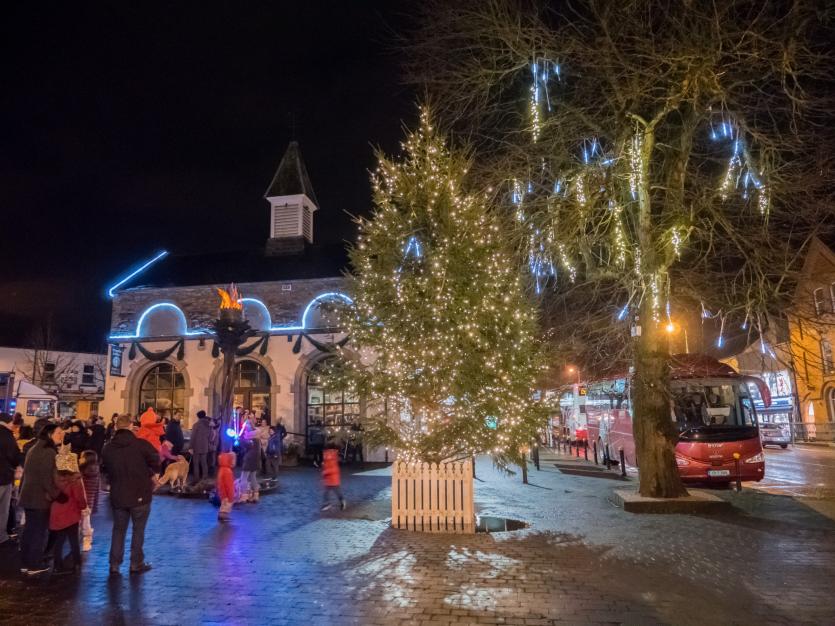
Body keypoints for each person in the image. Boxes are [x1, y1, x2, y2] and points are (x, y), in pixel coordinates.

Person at [102, 414, 160, 575]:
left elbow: (105, 468)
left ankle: (114, 564)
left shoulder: (108, 448)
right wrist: (152, 473)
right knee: (138, 529)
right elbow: (155, 459)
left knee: (118, 530)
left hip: (118, 494)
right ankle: (136, 562)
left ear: (116, 427)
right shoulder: (140, 445)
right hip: (140, 493)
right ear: (130, 426)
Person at [18, 423, 65, 576]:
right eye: (58, 433)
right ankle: (34, 564)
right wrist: (58, 495)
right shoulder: (48, 452)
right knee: (38, 532)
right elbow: (47, 479)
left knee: (29, 530)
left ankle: (26, 562)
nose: (61, 435)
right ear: (50, 434)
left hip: (28, 495)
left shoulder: (34, 449)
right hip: (39, 498)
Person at [48, 448, 87, 574]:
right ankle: (76, 563)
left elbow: (49, 494)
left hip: (56, 512)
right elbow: (79, 497)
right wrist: (83, 507)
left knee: (59, 540)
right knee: (73, 539)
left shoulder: (53, 477)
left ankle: (57, 565)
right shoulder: (75, 478)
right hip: (71, 513)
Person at [0, 413, 23, 546]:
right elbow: (15, 457)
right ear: (8, 422)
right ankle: (1, 536)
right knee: (3, 509)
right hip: (4, 477)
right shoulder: (8, 436)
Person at [79, 450, 100, 552]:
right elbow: (97, 490)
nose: (79, 459)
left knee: (81, 523)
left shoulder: (81, 472)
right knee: (86, 523)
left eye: (81, 457)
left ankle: (86, 541)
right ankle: (87, 541)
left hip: (80, 502)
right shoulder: (96, 472)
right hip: (89, 503)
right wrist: (95, 505)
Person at [189, 410, 212, 483]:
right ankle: (205, 478)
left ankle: (196, 479)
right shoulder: (208, 425)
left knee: (196, 463)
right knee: (204, 463)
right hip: (205, 446)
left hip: (196, 446)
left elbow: (193, 437)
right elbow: (210, 436)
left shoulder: (196, 425)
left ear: (198, 417)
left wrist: (190, 447)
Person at [321, 444, 346, 511]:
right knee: (328, 492)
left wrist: (325, 472)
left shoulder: (330, 457)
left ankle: (340, 501)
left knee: (335, 491)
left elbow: (333, 469)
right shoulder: (330, 457)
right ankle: (329, 503)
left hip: (332, 479)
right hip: (330, 479)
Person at [239, 438, 261, 503]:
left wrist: (240, 439)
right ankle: (255, 496)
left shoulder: (251, 440)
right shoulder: (257, 440)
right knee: (253, 478)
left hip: (249, 461)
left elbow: (246, 445)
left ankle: (244, 496)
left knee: (244, 478)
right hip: (255, 461)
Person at [216, 452, 236, 522]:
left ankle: (221, 516)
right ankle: (224, 517)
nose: (234, 462)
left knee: (223, 505)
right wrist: (231, 496)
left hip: (222, 493)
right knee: (226, 507)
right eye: (233, 460)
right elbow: (229, 485)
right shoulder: (228, 471)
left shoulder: (222, 469)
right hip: (227, 494)